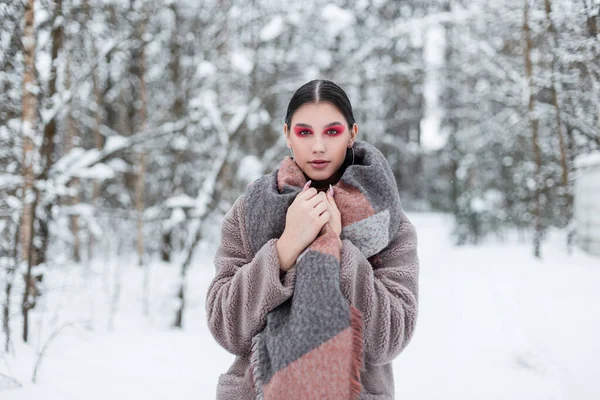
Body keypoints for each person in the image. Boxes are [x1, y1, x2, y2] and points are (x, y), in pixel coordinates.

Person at [205, 79, 419, 399]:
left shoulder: (387, 222)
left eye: (331, 132)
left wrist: (340, 248)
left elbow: (388, 340)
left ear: (351, 135)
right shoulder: (250, 212)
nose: (318, 146)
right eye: (305, 132)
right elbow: (227, 329)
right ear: (288, 136)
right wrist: (286, 247)